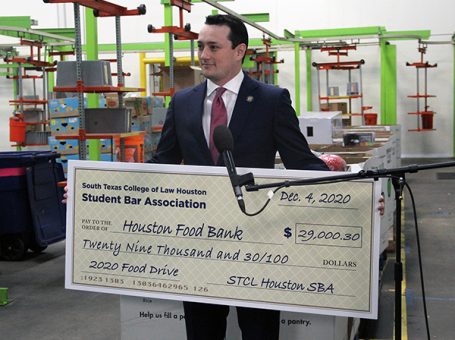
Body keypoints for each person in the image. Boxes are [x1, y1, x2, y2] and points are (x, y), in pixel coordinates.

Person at [148, 14, 329, 340]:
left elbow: (302, 162)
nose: (203, 55)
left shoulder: (271, 100)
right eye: (201, 46)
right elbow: (163, 162)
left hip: (256, 239)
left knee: (259, 331)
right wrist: (90, 188)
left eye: (213, 47)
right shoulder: (183, 102)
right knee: (203, 331)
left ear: (239, 51)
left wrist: (359, 191)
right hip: (198, 241)